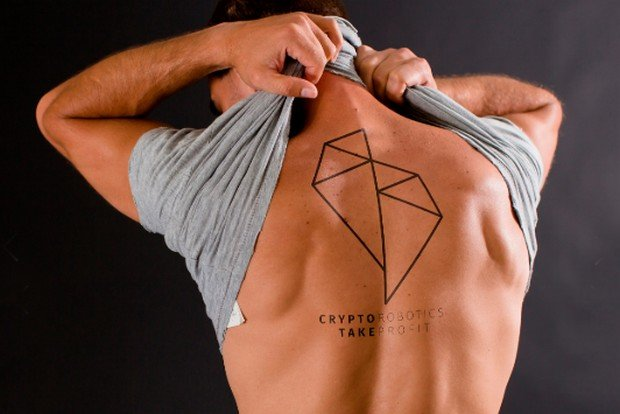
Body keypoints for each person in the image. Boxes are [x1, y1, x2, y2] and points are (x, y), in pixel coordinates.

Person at [35, 1, 562, 412]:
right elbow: (542, 107)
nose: (225, 128)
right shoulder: (496, 166)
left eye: (219, 106)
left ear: (255, 67)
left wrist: (220, 44)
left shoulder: (214, 183)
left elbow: (62, 114)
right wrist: (423, 92)